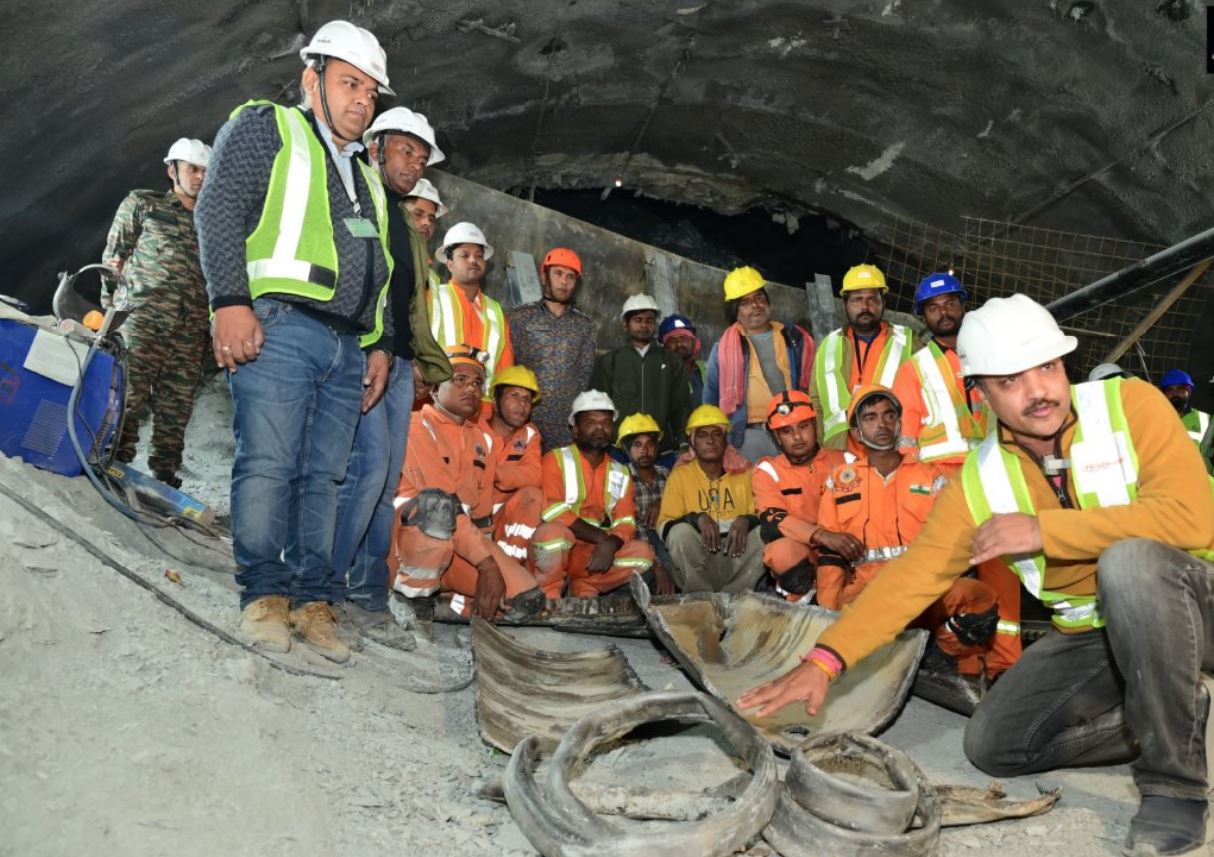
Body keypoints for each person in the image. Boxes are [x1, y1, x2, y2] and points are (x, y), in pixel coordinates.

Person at [740, 294, 1214, 857]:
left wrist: (1045, 530)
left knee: (1130, 561)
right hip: (1098, 632)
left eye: (1048, 367)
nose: (1038, 390)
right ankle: (1166, 710)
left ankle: (1174, 787)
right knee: (996, 744)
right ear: (980, 391)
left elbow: (1192, 517)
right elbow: (915, 574)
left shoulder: (1128, 405)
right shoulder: (980, 479)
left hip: (1196, 602)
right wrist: (826, 658)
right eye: (1011, 380)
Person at [196, 20, 397, 661]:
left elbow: (382, 271)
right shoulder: (270, 127)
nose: (361, 100)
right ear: (313, 80)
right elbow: (220, 206)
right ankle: (263, 597)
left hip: (345, 348)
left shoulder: (366, 175)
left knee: (324, 479)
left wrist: (381, 344)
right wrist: (229, 302)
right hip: (280, 326)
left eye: (370, 90)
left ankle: (313, 601)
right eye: (348, 83)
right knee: (270, 464)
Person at [330, 107, 449, 651]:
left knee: (384, 484)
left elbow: (411, 306)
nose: (415, 163)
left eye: (422, 157)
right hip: (364, 353)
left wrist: (429, 364)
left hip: (399, 362)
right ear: (376, 148)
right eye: (406, 151)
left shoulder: (406, 223)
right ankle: (327, 590)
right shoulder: (361, 200)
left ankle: (369, 597)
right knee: (367, 471)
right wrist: (369, 347)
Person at [814, 386, 1000, 676]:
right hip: (866, 592)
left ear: (900, 423)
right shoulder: (841, 481)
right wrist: (826, 615)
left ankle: (939, 652)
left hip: (921, 587)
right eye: (871, 417)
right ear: (856, 429)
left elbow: (954, 542)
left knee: (980, 599)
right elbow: (830, 558)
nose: (882, 424)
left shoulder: (930, 477)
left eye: (889, 416)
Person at [892, 273, 1020, 677]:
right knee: (953, 578)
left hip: (993, 481)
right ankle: (965, 662)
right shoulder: (914, 370)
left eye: (949, 302)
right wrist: (922, 491)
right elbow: (906, 442)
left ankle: (1005, 663)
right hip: (941, 488)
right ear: (923, 317)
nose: (943, 311)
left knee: (1003, 570)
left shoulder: (990, 358)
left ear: (964, 305)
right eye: (933, 307)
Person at [391, 345, 547, 619]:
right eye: (459, 380)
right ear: (435, 389)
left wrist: (496, 564)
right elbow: (443, 504)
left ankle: (453, 595)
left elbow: (481, 521)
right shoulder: (416, 425)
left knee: (524, 600)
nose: (471, 388)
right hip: (409, 548)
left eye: (477, 382)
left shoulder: (482, 441)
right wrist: (487, 567)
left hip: (459, 548)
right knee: (436, 507)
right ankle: (411, 602)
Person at [103, 137, 211, 488]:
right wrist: (112, 312)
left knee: (176, 404)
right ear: (172, 170)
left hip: (190, 329)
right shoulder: (144, 204)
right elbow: (114, 259)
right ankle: (113, 456)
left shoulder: (214, 226)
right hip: (142, 319)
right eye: (192, 169)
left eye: (206, 171)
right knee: (128, 392)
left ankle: (165, 472)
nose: (199, 177)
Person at [533, 391, 656, 597]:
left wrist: (611, 543)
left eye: (606, 422)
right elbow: (552, 511)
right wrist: (602, 538)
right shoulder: (555, 459)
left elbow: (626, 522)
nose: (600, 427)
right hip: (563, 549)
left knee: (643, 554)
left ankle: (585, 587)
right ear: (575, 429)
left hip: (593, 556)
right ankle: (549, 596)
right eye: (591, 421)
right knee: (551, 535)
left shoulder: (620, 472)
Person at [704, 266, 814, 463]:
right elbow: (710, 403)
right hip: (748, 438)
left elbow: (813, 388)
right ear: (735, 311)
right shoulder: (722, 349)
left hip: (792, 430)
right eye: (745, 302)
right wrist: (724, 447)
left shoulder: (795, 338)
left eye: (759, 298)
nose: (755, 305)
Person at [752, 390, 850, 602]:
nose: (797, 437)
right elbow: (772, 522)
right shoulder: (768, 470)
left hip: (848, 550)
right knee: (780, 552)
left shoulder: (846, 461)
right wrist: (822, 536)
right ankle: (803, 602)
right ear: (776, 436)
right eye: (787, 431)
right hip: (807, 554)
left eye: (803, 427)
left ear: (815, 425)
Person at [656, 405, 763, 593]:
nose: (710, 441)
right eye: (702, 435)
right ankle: (701, 600)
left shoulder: (745, 474)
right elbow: (665, 526)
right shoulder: (680, 476)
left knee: (766, 533)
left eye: (716, 434)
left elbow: (765, 515)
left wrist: (747, 520)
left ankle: (735, 600)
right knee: (679, 533)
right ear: (693, 442)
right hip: (700, 560)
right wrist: (696, 518)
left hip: (736, 556)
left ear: (725, 441)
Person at [809, 264, 914, 450]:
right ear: (844, 304)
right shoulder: (829, 345)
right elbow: (816, 402)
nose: (865, 307)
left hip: (891, 450)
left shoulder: (907, 341)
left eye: (872, 300)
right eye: (857, 300)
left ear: (883, 302)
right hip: (840, 450)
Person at [508, 248, 597, 451]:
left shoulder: (585, 326)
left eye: (570, 277)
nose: (564, 282)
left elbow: (584, 376)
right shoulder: (520, 318)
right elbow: (508, 366)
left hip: (567, 427)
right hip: (525, 420)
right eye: (558, 273)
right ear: (543, 276)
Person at [590, 294, 691, 456]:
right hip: (618, 449)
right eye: (638, 320)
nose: (644, 325)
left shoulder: (672, 362)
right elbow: (597, 408)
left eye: (649, 320)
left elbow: (681, 406)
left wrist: (683, 442)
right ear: (625, 324)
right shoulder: (609, 362)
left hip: (661, 450)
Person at [428, 221, 514, 410]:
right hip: (436, 404)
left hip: (481, 408)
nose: (473, 261)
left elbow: (504, 367)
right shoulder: (433, 297)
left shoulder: (496, 311)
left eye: (479, 256)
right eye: (464, 256)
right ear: (449, 264)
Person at [484, 365, 553, 593]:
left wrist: (494, 473)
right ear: (495, 399)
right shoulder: (473, 429)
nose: (522, 404)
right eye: (514, 395)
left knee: (533, 496)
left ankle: (510, 571)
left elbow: (534, 475)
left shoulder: (530, 434)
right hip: (474, 522)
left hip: (506, 522)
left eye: (527, 399)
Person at [617, 413, 676, 595]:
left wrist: (662, 502)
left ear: (657, 448)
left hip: (667, 545)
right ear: (626, 449)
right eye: (637, 445)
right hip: (636, 548)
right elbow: (633, 530)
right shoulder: (620, 478)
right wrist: (657, 565)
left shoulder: (668, 475)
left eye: (650, 444)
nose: (644, 450)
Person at [1160, 369, 1211, 451]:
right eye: (1170, 390)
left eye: (1180, 389)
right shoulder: (1154, 418)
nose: (1175, 393)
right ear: (1163, 394)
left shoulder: (1206, 420)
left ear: (1189, 391)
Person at [659, 314, 706, 404]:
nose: (679, 344)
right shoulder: (660, 376)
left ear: (694, 342)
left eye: (684, 338)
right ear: (664, 348)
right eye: (672, 341)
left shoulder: (710, 370)